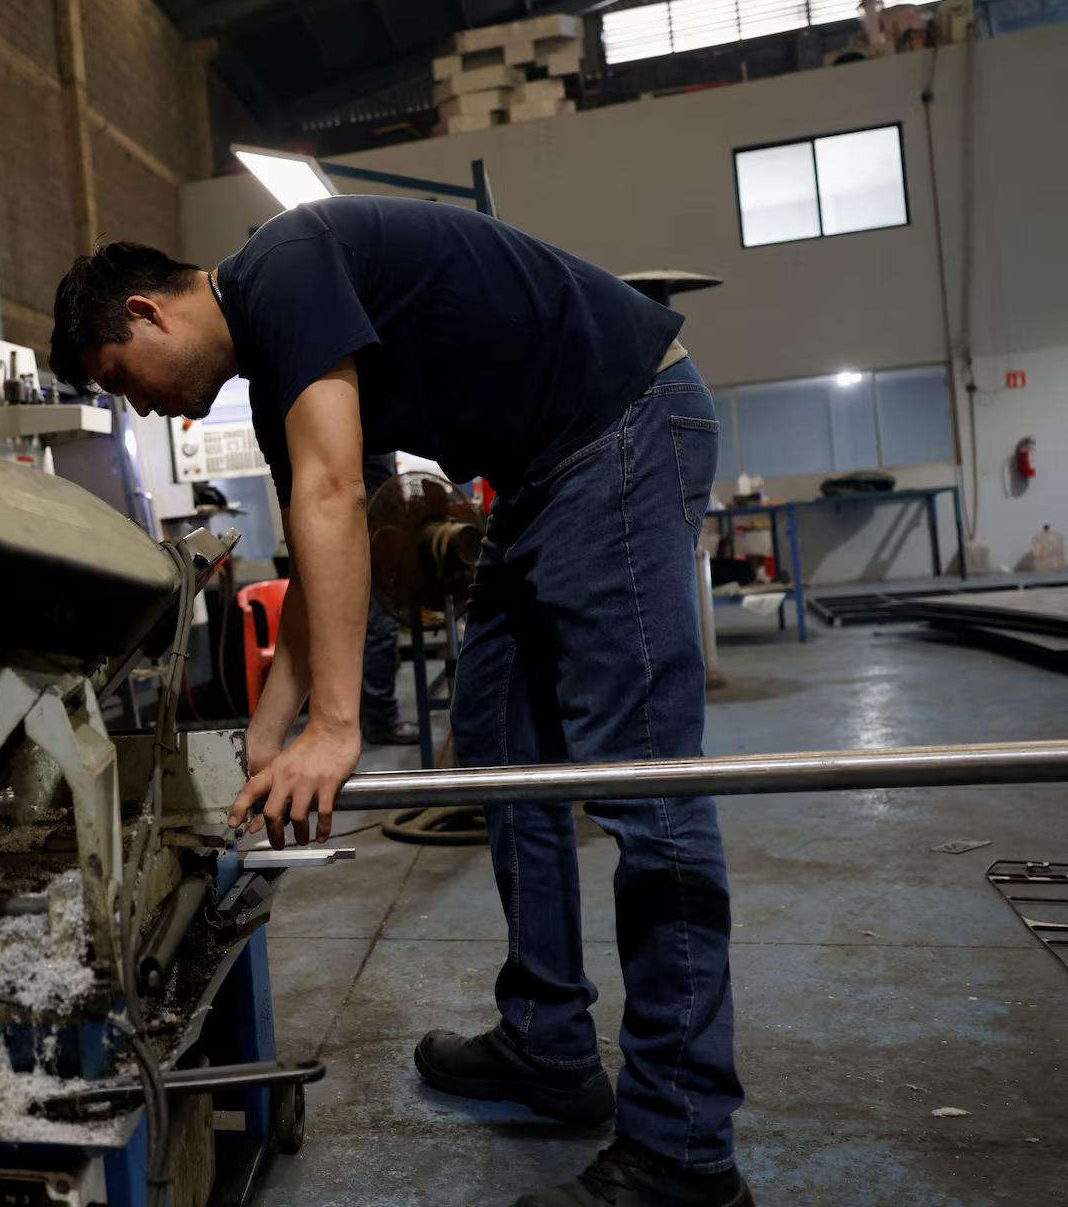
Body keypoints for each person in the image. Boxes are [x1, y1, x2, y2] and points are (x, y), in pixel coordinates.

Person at [47, 197, 748, 1207]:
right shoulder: (279, 372)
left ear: (148, 312)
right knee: (498, 753)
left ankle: (686, 1151)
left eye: (122, 379)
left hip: (622, 424)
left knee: (645, 785)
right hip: (545, 474)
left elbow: (335, 493)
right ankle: (549, 1040)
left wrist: (338, 729)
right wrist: (266, 736)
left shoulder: (284, 266)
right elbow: (319, 554)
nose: (146, 409)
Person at [359, 451, 418, 748]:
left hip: (378, 532)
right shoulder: (364, 432)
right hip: (370, 535)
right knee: (381, 628)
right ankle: (381, 720)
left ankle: (374, 715)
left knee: (379, 627)